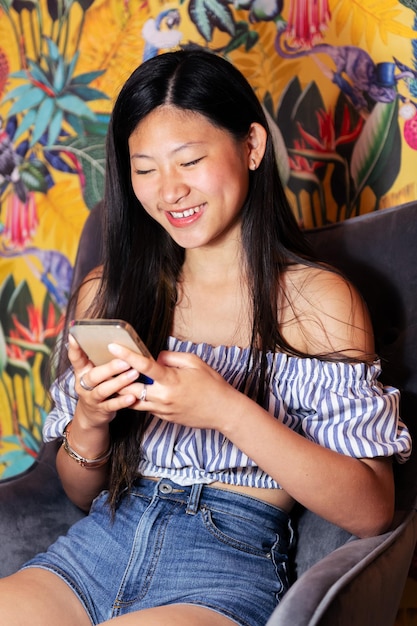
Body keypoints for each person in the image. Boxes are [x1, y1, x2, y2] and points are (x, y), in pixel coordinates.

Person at [0, 49, 411, 626]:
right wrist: (91, 418)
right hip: (95, 550)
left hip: (224, 563)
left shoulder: (317, 301)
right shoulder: (109, 291)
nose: (168, 192)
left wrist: (224, 409)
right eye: (145, 170)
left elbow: (372, 509)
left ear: (252, 146)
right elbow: (77, 491)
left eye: (188, 160)